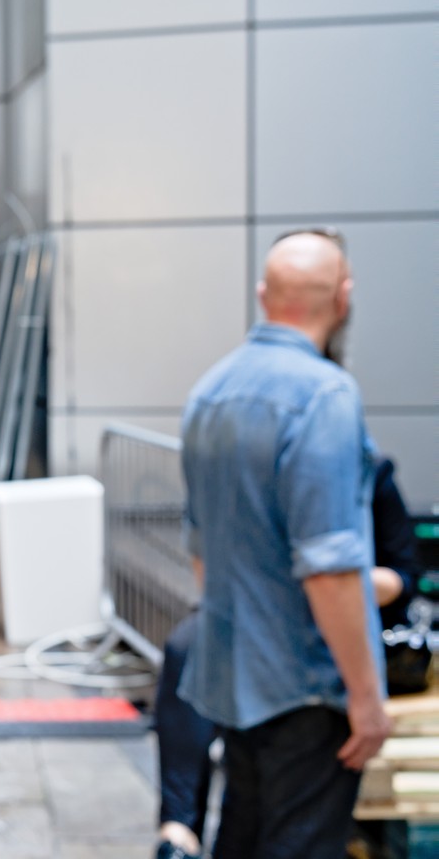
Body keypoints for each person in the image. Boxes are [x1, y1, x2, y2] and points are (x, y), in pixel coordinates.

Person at [174, 227, 392, 858]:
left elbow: (202, 552)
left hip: (234, 679)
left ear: (263, 294)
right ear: (343, 297)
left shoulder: (210, 390)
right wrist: (366, 699)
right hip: (305, 689)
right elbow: (329, 567)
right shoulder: (324, 395)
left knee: (241, 839)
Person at [153, 456, 421, 859]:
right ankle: (179, 825)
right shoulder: (256, 473)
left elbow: (400, 576)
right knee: (188, 648)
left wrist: (327, 586)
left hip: (330, 645)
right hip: (263, 638)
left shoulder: (367, 473)